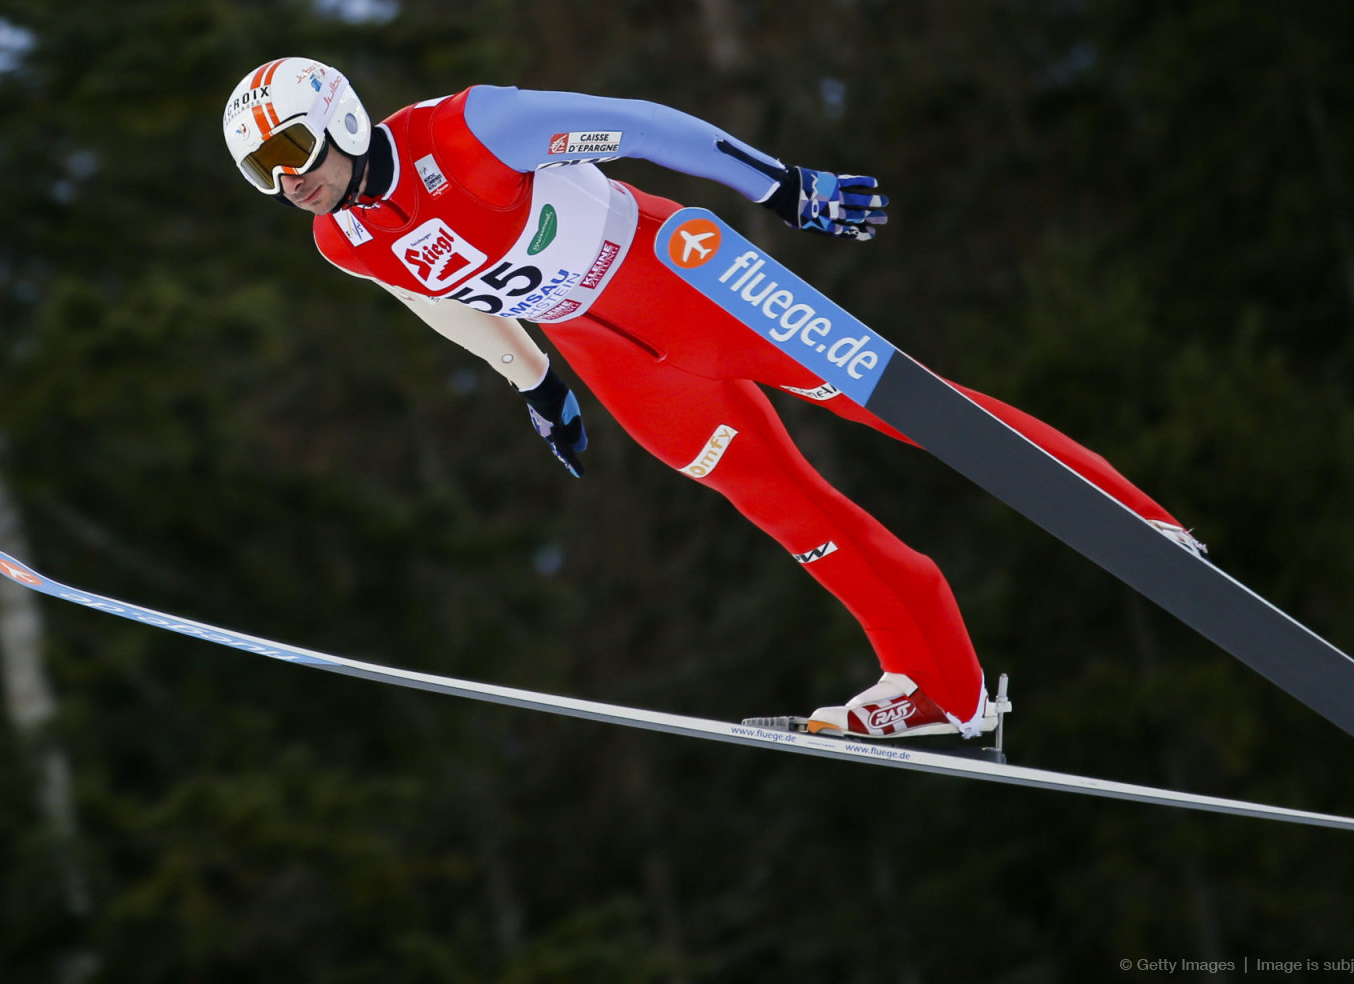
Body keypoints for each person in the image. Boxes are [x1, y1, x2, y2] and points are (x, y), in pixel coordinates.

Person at [221, 57, 1203, 741]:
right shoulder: (343, 239)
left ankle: (1132, 517)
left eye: (294, 149)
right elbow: (432, 301)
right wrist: (533, 380)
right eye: (263, 170)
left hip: (681, 277)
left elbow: (645, 125)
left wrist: (786, 189)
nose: (288, 180)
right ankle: (939, 687)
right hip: (620, 362)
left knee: (903, 404)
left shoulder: (472, 128)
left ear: (341, 116)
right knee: (783, 506)